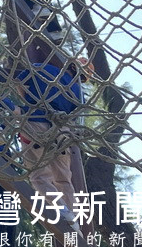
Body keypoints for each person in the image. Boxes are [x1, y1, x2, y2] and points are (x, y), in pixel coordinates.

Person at [16, 57, 92, 220]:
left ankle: (60, 208)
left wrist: (30, 102)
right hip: (61, 133)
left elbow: (19, 82)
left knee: (39, 176)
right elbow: (74, 118)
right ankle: (72, 217)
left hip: (35, 124)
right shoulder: (79, 92)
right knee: (64, 178)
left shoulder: (41, 67)